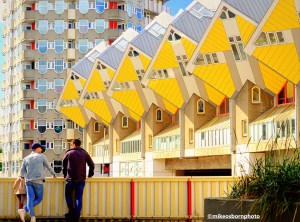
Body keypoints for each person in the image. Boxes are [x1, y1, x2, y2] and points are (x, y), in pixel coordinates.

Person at [18, 143, 56, 222]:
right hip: (38, 181)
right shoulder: (42, 157)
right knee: (39, 199)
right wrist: (54, 175)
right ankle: (25, 210)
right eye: (40, 148)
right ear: (36, 148)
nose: (41, 150)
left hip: (28, 181)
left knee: (30, 198)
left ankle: (32, 216)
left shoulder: (26, 158)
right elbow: (49, 167)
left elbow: (22, 170)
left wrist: (21, 176)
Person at [63, 139, 95, 221]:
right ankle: (77, 216)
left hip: (70, 180)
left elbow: (64, 165)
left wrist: (64, 174)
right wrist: (90, 174)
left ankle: (71, 212)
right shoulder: (84, 153)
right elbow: (91, 164)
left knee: (67, 195)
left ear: (73, 144)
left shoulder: (69, 153)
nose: (71, 146)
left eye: (71, 144)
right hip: (81, 180)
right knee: (78, 197)